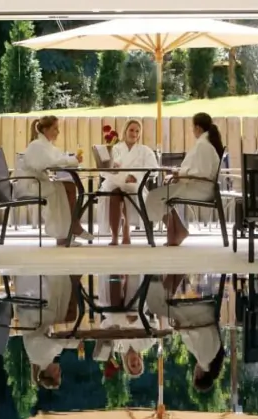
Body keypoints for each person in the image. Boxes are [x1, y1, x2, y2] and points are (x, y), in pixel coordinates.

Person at [144, 112, 224, 246]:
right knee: (162, 197)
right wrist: (179, 174)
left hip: (200, 189)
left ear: (198, 128)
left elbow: (201, 173)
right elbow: (198, 170)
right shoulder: (205, 144)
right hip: (199, 186)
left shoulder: (203, 145)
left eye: (193, 127)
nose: (192, 130)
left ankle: (174, 233)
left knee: (153, 197)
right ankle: (179, 231)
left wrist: (179, 175)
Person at [15, 116, 93, 246]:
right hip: (31, 184)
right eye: (55, 128)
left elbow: (58, 157)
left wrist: (73, 159)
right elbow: (49, 163)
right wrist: (72, 160)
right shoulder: (37, 145)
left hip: (38, 182)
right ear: (45, 129)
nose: (58, 132)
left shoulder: (46, 145)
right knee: (65, 188)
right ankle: (68, 231)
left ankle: (68, 231)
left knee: (68, 186)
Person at [144, 274, 225, 392]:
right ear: (199, 376)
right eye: (194, 375)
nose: (194, 371)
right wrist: (180, 328)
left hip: (204, 313)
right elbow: (194, 333)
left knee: (165, 304)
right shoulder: (204, 358)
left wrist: (181, 328)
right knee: (157, 306)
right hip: (198, 314)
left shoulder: (212, 356)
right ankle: (153, 277)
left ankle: (175, 273)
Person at [96, 120, 159, 245]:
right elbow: (103, 171)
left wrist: (135, 176)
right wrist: (113, 169)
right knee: (115, 193)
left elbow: (154, 170)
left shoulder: (145, 151)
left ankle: (126, 229)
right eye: (131, 130)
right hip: (114, 182)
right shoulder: (114, 148)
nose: (134, 133)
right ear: (125, 131)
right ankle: (114, 236)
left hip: (134, 185)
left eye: (137, 131)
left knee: (126, 190)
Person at [15, 275, 81, 389]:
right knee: (69, 315)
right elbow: (56, 340)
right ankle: (73, 280)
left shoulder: (38, 357)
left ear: (48, 374)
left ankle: (71, 279)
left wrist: (73, 344)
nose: (59, 372)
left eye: (56, 375)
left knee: (65, 312)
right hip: (39, 312)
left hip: (37, 306)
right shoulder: (48, 357)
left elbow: (48, 340)